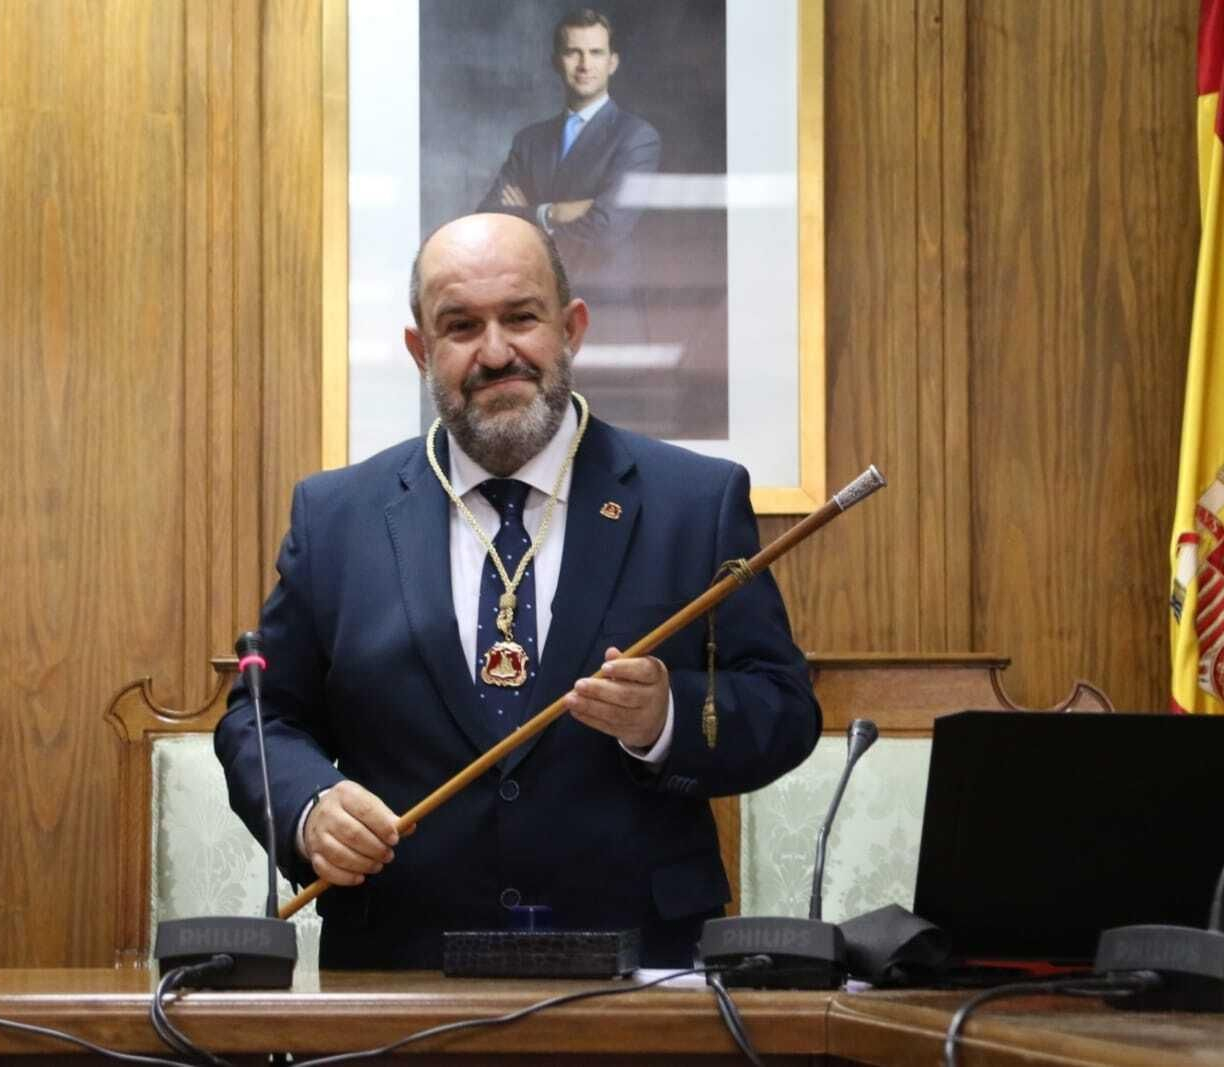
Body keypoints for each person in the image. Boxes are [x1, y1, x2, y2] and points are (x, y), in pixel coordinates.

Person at [215, 212, 818, 969]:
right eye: (461, 325)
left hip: (639, 972)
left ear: (571, 327)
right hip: (398, 973)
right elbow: (261, 720)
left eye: (521, 317)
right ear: (420, 350)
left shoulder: (693, 502)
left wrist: (667, 715)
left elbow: (786, 708)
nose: (496, 352)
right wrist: (310, 809)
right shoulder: (337, 517)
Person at [476, 9, 660, 339]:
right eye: (573, 51)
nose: (585, 64)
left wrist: (525, 213)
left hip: (607, 315)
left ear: (613, 62)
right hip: (536, 318)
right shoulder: (530, 140)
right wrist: (550, 212)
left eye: (596, 52)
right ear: (555, 61)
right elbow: (489, 222)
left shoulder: (636, 137)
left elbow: (606, 230)